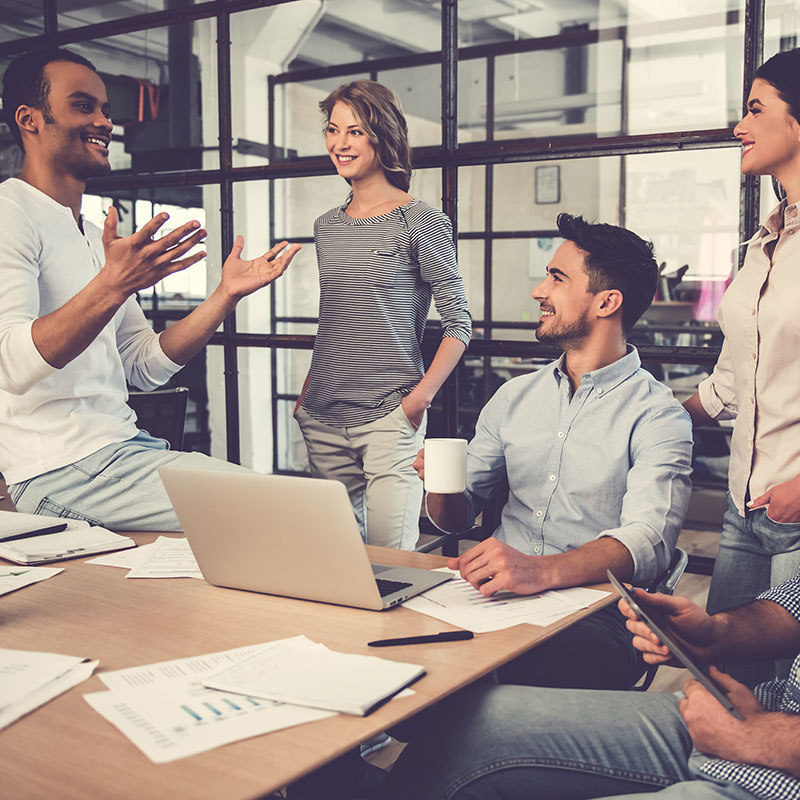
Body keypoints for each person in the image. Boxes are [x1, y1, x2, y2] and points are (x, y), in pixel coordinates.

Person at [0, 49, 300, 530]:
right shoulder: (10, 214)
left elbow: (143, 366)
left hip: (123, 450)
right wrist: (112, 286)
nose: (103, 121)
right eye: (83, 106)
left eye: (105, 110)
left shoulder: (92, 231)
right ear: (29, 119)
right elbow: (12, 365)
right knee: (289, 513)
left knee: (293, 514)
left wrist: (225, 296)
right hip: (63, 471)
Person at [417, 212, 694, 690]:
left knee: (510, 676)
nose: (538, 291)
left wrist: (539, 572)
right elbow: (457, 518)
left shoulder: (659, 416)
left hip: (596, 612)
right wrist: (442, 486)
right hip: (491, 596)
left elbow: (648, 542)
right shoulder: (514, 397)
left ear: (607, 301)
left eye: (557, 278)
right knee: (396, 645)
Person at [385, 569, 800, 800]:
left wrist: (765, 739)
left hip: (779, 764)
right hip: (772, 716)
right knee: (473, 720)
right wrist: (717, 633)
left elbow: (645, 537)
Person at [293, 80, 471, 550]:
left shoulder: (422, 220)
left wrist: (418, 401)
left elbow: (458, 323)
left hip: (390, 419)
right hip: (323, 417)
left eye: (355, 131)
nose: (340, 143)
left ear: (382, 135)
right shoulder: (326, 226)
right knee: (336, 561)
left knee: (391, 563)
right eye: (333, 130)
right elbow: (336, 316)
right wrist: (307, 395)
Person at [683, 47, 800, 686]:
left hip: (798, 509)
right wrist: (649, 410)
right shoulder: (763, 243)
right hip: (743, 508)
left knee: (786, 710)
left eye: (756, 109)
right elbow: (730, 385)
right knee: (722, 684)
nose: (739, 127)